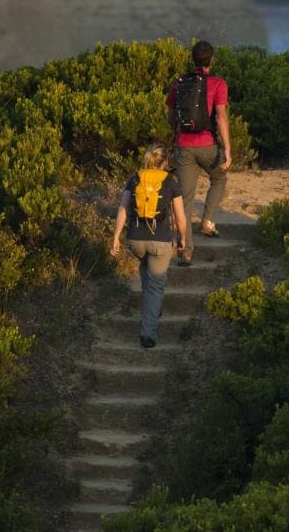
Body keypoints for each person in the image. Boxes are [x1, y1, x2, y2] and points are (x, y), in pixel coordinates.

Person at [111, 145, 187, 348]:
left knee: (146, 270)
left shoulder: (135, 179)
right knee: (156, 285)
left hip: (135, 240)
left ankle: (152, 309)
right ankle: (148, 334)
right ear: (164, 163)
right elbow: (180, 218)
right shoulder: (170, 182)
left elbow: (123, 208)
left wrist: (116, 236)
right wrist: (183, 239)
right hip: (160, 241)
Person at [167, 39, 231, 267]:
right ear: (211, 59)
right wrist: (227, 148)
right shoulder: (218, 83)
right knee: (219, 178)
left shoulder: (179, 82)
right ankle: (208, 220)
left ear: (193, 59)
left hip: (184, 146)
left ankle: (185, 251)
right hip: (207, 145)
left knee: (184, 199)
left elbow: (171, 115)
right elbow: (221, 117)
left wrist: (177, 134)